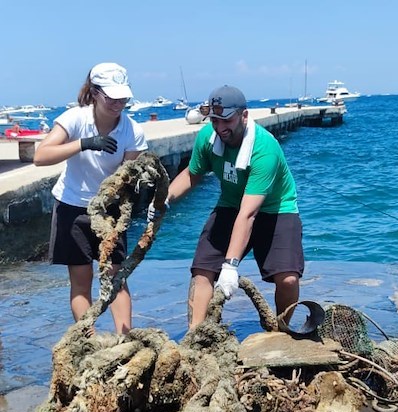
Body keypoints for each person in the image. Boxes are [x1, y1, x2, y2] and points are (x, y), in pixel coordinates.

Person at [150, 85, 304, 330]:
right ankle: (196, 335)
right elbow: (192, 174)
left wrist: (231, 266)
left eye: (227, 120)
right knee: (202, 270)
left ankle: (281, 329)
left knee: (287, 279)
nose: (221, 128)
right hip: (231, 204)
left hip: (277, 209)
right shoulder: (207, 138)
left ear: (244, 115)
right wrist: (164, 199)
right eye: (215, 120)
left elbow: (249, 213)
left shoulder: (265, 150)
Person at [34, 62, 148, 334]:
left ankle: (125, 340)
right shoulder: (75, 118)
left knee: (116, 277)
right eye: (111, 97)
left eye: (123, 97)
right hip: (71, 207)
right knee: (81, 280)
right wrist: (84, 143)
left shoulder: (132, 131)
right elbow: (41, 156)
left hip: (109, 212)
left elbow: (127, 177)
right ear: (95, 92)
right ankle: (89, 340)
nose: (118, 103)